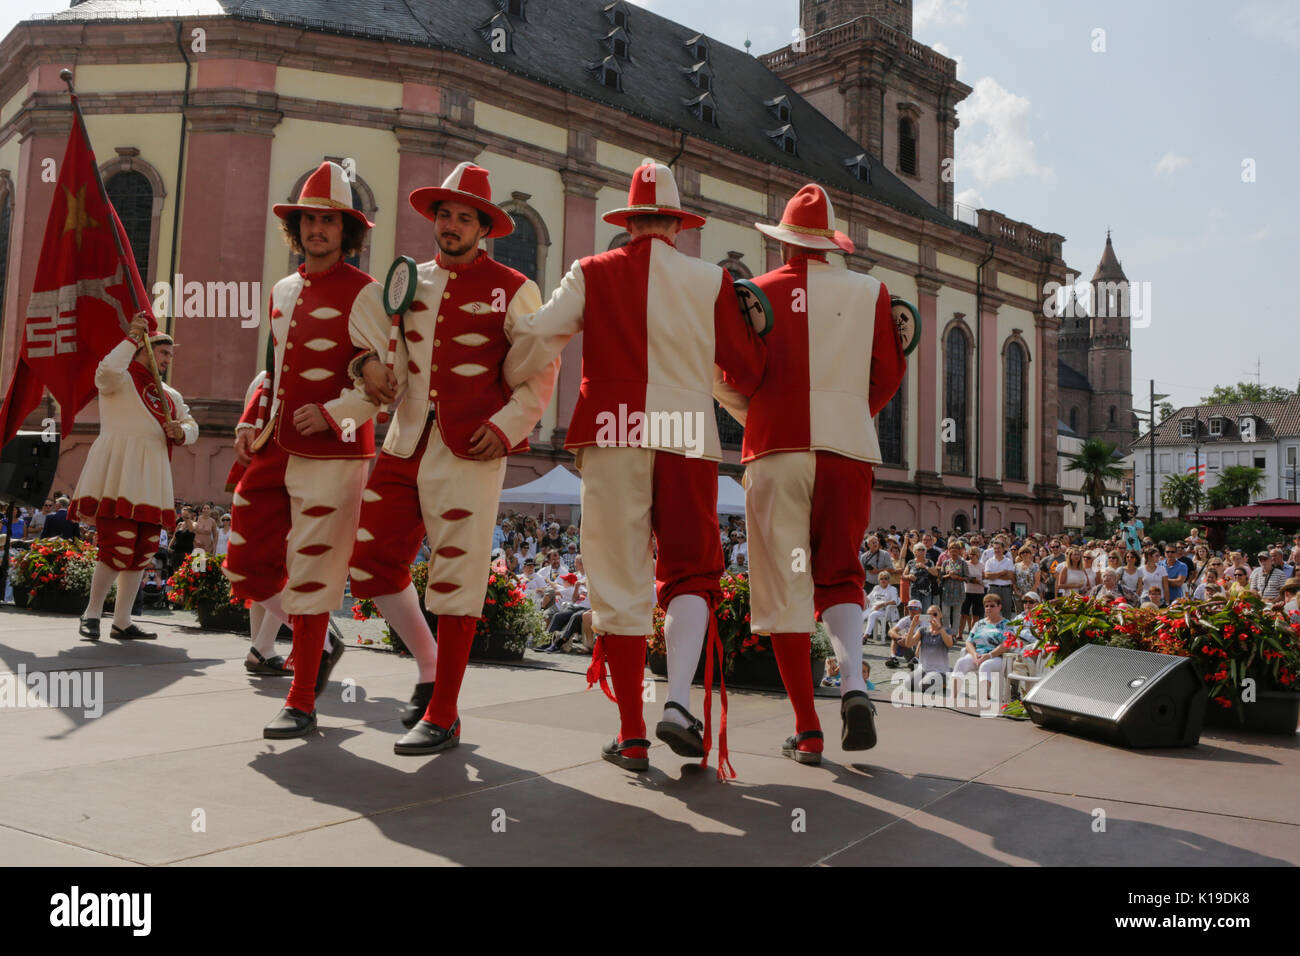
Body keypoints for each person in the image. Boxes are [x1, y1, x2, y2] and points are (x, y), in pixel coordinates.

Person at [502, 158, 765, 775]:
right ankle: (678, 704)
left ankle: (632, 736)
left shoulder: (590, 271)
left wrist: (505, 374)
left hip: (611, 431)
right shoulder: (711, 280)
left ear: (628, 222)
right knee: (690, 570)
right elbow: (746, 369)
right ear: (675, 223)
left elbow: (538, 338)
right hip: (686, 433)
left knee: (618, 581)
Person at [348, 164, 559, 754]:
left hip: (472, 447)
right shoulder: (407, 280)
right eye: (445, 214)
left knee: (458, 580)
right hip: (405, 440)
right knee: (369, 561)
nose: (452, 225)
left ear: (483, 227)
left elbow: (540, 369)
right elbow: (377, 343)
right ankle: (430, 665)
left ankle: (444, 713)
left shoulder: (514, 286)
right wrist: (366, 365)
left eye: (465, 217)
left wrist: (508, 427)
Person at [223, 161, 392, 740]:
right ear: (296, 228)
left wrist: (333, 413)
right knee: (244, 558)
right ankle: (316, 638)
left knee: (315, 570)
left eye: (329, 220)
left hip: (335, 453)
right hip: (274, 444)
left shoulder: (366, 293)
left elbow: (382, 385)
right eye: (309, 220)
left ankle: (300, 701)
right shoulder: (282, 289)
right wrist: (250, 420)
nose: (317, 229)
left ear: (348, 230)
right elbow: (273, 370)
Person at [71, 313, 198, 640]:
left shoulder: (170, 395)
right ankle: (92, 613)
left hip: (153, 474)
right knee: (118, 544)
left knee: (143, 549)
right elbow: (105, 372)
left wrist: (182, 432)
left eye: (170, 354)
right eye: (164, 352)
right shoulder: (121, 379)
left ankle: (122, 621)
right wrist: (131, 337)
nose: (168, 359)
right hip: (121, 468)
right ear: (145, 349)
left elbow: (191, 424)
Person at [952, 592, 1017, 692]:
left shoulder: (1007, 624)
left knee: (985, 665)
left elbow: (1007, 644)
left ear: (999, 607)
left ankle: (984, 698)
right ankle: (953, 696)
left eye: (992, 606)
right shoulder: (979, 623)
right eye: (986, 606)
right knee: (961, 662)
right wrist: (974, 654)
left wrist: (989, 655)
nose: (988, 608)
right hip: (978, 655)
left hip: (997, 657)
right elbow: (969, 642)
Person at [899, 604, 954, 695]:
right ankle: (935, 681)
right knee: (908, 684)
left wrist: (939, 628)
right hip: (924, 669)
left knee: (923, 686)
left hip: (940, 671)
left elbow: (949, 644)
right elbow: (908, 644)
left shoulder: (946, 630)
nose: (932, 617)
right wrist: (912, 627)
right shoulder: (923, 630)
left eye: (935, 614)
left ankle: (945, 681)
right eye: (929, 615)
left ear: (940, 615)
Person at [862, 569, 900, 643]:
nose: (883, 580)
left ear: (889, 580)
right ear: (879, 580)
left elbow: (894, 601)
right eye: (881, 579)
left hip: (886, 611)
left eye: (885, 578)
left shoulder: (892, 589)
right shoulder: (876, 588)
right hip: (873, 608)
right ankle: (857, 634)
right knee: (861, 615)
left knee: (872, 615)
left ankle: (865, 636)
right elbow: (868, 599)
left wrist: (882, 604)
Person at [886, 599, 924, 668]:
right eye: (910, 608)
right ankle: (893, 658)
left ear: (920, 610)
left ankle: (917, 660)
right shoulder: (906, 619)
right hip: (911, 649)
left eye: (915, 608)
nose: (912, 610)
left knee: (922, 639)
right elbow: (891, 631)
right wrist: (899, 638)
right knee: (895, 636)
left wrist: (909, 637)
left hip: (923, 652)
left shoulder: (926, 620)